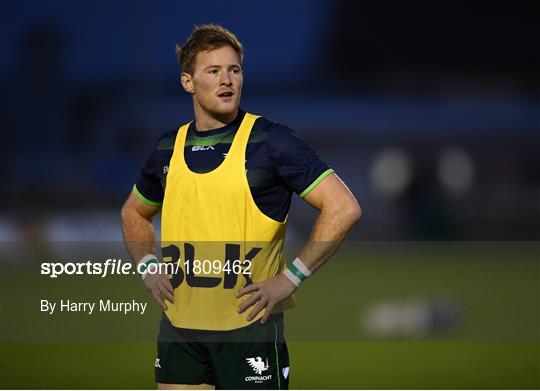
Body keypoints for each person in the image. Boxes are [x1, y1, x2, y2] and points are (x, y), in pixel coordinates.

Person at [120, 24, 361, 390]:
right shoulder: (168, 147)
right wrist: (148, 266)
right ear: (188, 82)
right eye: (213, 71)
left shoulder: (271, 141)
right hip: (180, 331)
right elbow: (133, 213)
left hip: (249, 332)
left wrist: (291, 279)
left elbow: (343, 207)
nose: (226, 80)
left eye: (234, 70)